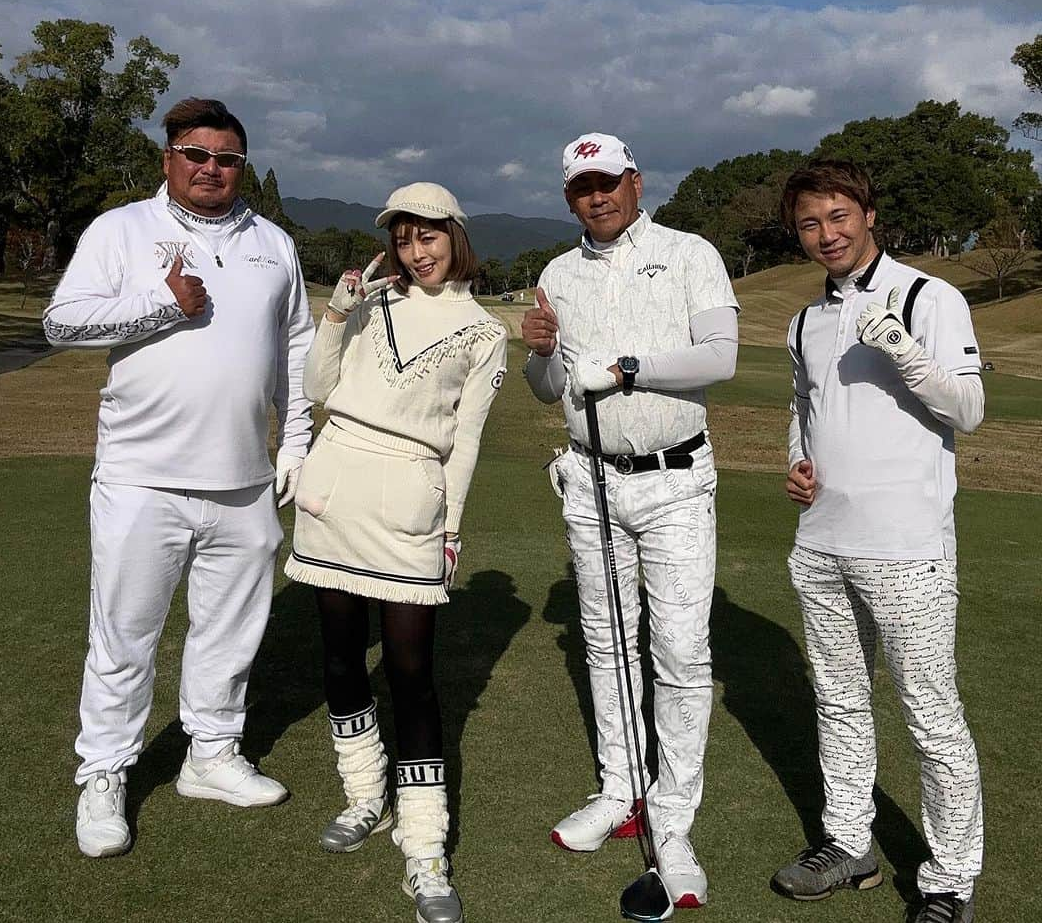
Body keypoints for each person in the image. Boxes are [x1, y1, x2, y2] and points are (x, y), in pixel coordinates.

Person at [43, 97, 314, 858]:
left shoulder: (273, 244)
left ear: (241, 165)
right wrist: (161, 304)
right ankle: (104, 775)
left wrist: (294, 443)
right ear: (169, 158)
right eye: (195, 154)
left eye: (225, 158)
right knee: (124, 637)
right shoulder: (122, 229)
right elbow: (62, 324)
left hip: (244, 480)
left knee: (230, 634)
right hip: (141, 476)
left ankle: (212, 755)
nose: (210, 169)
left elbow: (295, 350)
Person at [521, 133, 739, 912]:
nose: (597, 197)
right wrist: (540, 353)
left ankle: (672, 822)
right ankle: (622, 790)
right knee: (608, 645)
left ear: (636, 183)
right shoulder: (555, 272)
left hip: (675, 479)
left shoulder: (690, 252)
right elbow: (549, 389)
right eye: (583, 187)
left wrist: (625, 370)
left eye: (609, 182)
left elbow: (720, 355)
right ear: (569, 197)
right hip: (591, 481)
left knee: (680, 651)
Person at [285, 182, 507, 923]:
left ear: (456, 236)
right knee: (343, 657)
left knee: (412, 675)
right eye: (405, 238)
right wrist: (338, 312)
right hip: (335, 482)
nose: (418, 251)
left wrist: (451, 529)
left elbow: (467, 440)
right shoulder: (371, 304)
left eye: (429, 235)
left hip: (411, 499)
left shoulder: (482, 332)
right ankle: (362, 795)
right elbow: (317, 388)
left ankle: (424, 849)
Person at [772, 160, 984, 923]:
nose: (825, 235)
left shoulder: (931, 296)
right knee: (838, 701)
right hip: (822, 542)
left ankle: (950, 880)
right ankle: (848, 842)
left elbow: (968, 408)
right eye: (808, 223)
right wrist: (796, 462)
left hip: (906, 546)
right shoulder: (805, 320)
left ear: (867, 212)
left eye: (838, 217)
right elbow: (805, 403)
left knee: (929, 714)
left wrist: (899, 344)